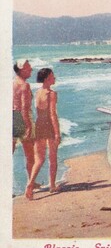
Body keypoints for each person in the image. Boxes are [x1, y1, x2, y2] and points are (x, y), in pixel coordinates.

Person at [26, 68, 61, 200]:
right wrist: (57, 133)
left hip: (38, 125)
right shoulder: (51, 94)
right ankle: (52, 186)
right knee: (52, 157)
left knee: (39, 159)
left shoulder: (38, 92)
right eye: (52, 76)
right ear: (46, 79)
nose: (54, 78)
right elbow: (52, 114)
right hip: (49, 126)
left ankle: (30, 184)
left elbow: (37, 111)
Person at [12, 59, 36, 183]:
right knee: (30, 154)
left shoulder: (12, 83)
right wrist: (28, 126)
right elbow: (24, 108)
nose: (31, 69)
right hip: (21, 118)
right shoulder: (24, 85)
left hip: (11, 117)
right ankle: (31, 182)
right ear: (21, 70)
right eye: (28, 67)